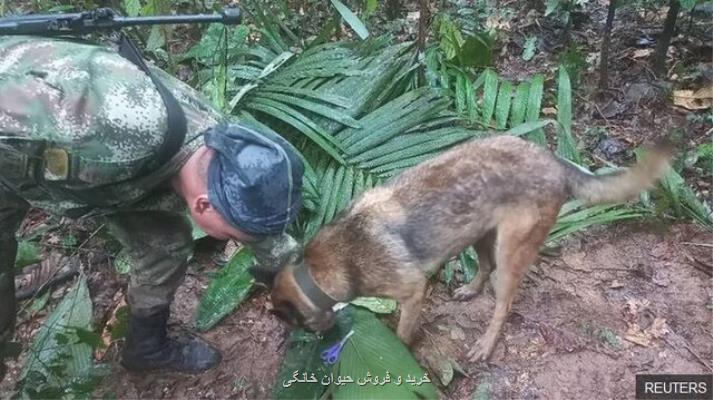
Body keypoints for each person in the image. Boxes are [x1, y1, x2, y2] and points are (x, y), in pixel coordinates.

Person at [0, 34, 304, 378]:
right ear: (203, 205)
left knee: (164, 246)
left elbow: (257, 227)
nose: (241, 241)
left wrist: (305, 286)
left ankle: (145, 348)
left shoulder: (223, 151)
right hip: (13, 150)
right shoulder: (114, 126)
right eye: (235, 237)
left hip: (101, 175)